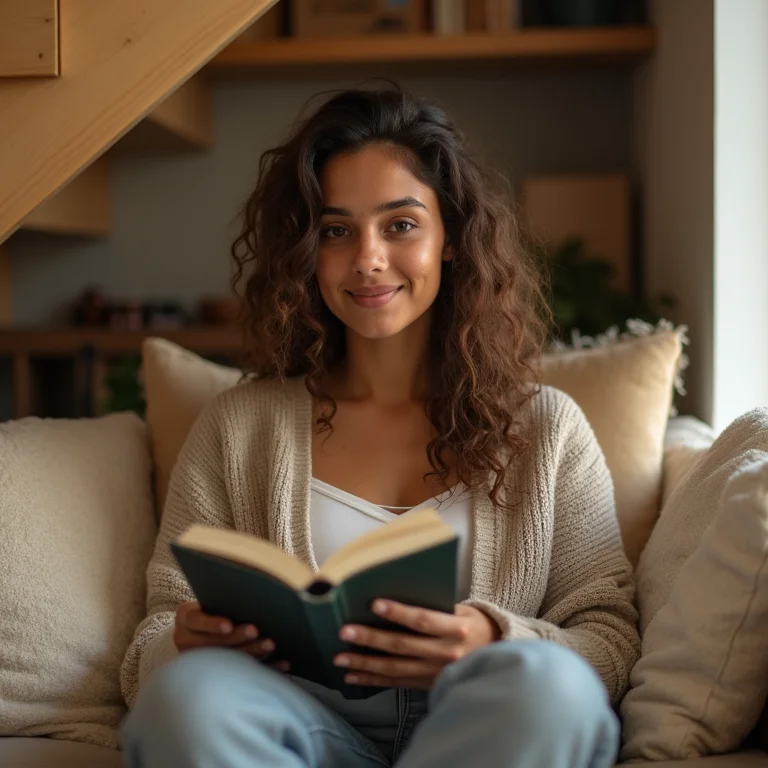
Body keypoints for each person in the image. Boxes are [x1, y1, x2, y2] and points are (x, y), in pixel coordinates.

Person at [120, 87, 640, 768]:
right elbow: (153, 640)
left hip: (483, 732)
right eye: (336, 231)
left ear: (451, 239)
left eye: (400, 225)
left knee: (554, 690)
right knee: (184, 699)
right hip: (294, 735)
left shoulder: (547, 429)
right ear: (308, 250)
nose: (367, 258)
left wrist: (493, 636)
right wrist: (185, 640)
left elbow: (608, 638)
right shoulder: (239, 427)